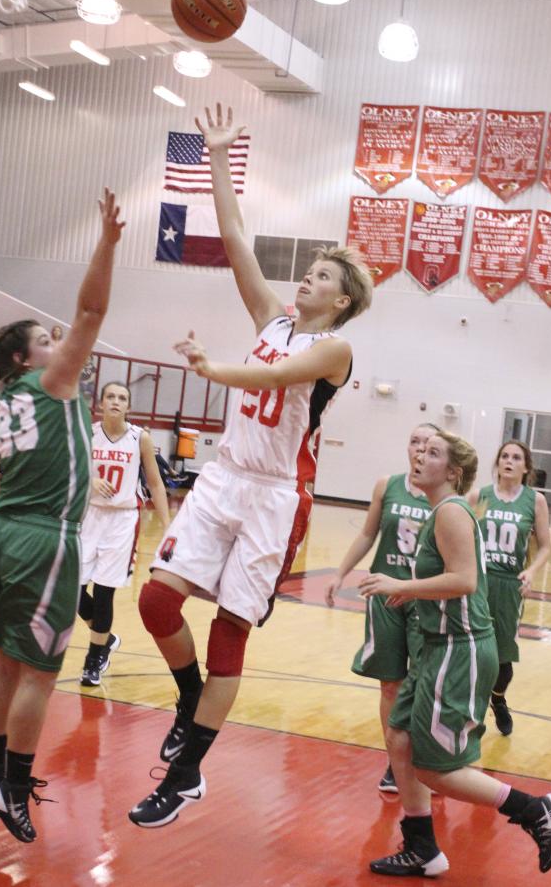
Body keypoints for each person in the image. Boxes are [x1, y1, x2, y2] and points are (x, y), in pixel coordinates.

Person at [128, 103, 372, 829]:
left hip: (274, 495)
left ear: (344, 298)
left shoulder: (336, 350)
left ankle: (186, 772)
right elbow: (235, 239)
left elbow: (272, 380)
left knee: (230, 626)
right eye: (309, 268)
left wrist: (215, 367)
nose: (306, 276)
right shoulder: (271, 315)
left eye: (322, 273)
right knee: (156, 602)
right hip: (222, 479)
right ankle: (187, 696)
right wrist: (217, 156)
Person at [0, 189, 125, 844]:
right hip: (45, 541)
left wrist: (5, 504)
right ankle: (16, 778)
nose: (62, 342)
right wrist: (109, 241)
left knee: (5, 662)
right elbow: (91, 308)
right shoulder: (52, 382)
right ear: (30, 358)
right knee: (41, 672)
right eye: (48, 339)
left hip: (1, 536)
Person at [360, 431, 551, 877]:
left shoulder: (451, 512)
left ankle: (535, 808)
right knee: (400, 738)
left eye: (433, 453)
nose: (420, 455)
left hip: (460, 650)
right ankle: (422, 849)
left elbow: (467, 579)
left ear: (453, 471)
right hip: (436, 645)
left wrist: (403, 587)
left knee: (435, 771)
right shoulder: (442, 510)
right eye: (419, 448)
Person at [325, 424, 438, 793]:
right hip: (385, 595)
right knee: (390, 684)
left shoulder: (446, 498)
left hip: (423, 598)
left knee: (422, 685)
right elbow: (367, 534)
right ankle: (395, 761)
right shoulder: (386, 485)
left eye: (428, 443)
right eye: (414, 441)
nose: (419, 448)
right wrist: (340, 573)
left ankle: (425, 758)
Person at [78, 381, 170, 686]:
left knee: (104, 593)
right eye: (111, 396)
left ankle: (94, 659)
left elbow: (155, 484)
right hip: (89, 516)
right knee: (71, 591)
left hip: (122, 521)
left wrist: (169, 525)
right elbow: (72, 467)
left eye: (122, 398)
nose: (116, 401)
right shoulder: (88, 432)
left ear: (128, 406)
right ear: (101, 403)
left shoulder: (139, 438)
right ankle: (106, 639)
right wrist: (90, 480)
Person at [469, 441, 550, 736]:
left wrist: (530, 571)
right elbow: (462, 530)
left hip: (509, 585)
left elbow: (545, 546)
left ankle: (498, 699)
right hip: (478, 581)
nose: (509, 461)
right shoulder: (483, 496)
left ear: (526, 467)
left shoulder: (534, 500)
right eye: (504, 456)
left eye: (516, 457)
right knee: (474, 652)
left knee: (502, 660)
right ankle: (473, 717)